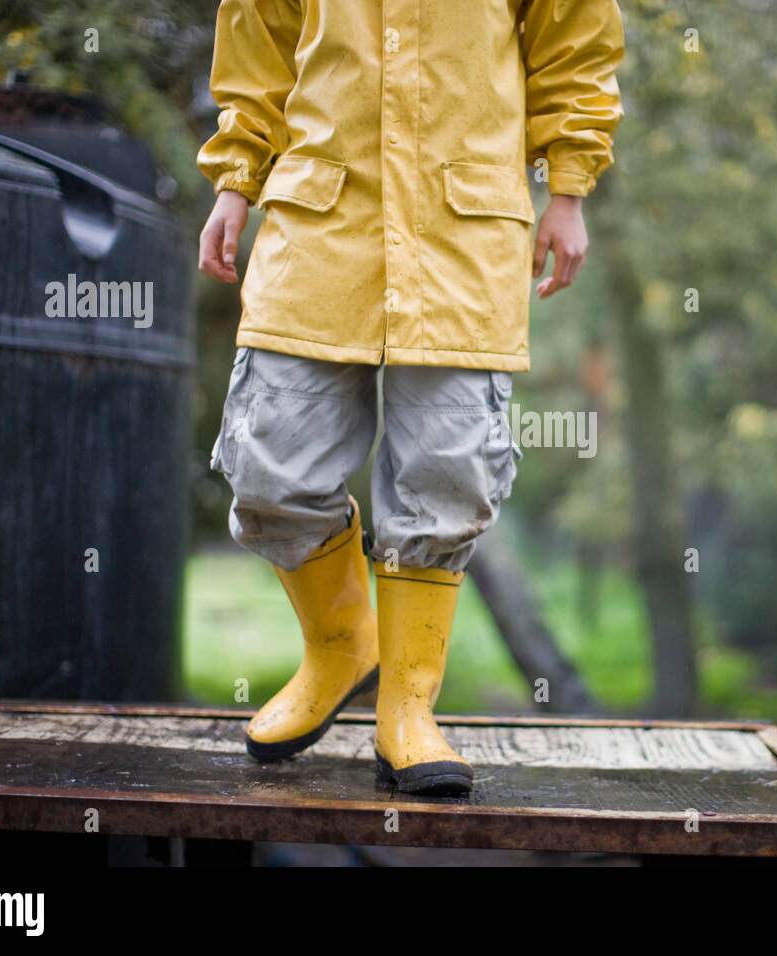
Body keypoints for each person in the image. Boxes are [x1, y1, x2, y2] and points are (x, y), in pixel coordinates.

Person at [195, 0, 624, 795]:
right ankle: (340, 646)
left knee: (447, 476)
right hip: (319, 226)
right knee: (269, 461)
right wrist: (234, 181)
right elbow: (259, 50)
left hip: (463, 234)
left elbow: (573, 42)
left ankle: (409, 709)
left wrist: (569, 186)